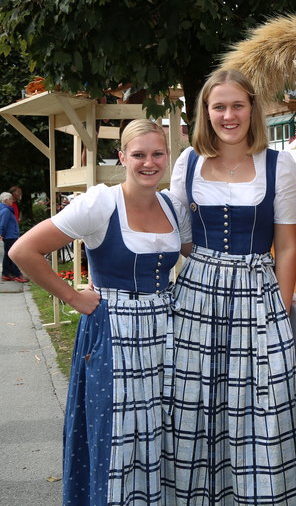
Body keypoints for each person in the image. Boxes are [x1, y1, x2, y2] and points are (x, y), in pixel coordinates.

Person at [9, 119, 190, 506]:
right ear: (122, 157)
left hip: (166, 332)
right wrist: (73, 299)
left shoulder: (173, 205)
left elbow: (196, 254)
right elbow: (23, 251)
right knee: (116, 429)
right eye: (138, 154)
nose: (148, 162)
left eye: (157, 154)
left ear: (167, 157)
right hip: (114, 331)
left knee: (162, 429)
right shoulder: (101, 202)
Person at [168, 68, 296, 505]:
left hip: (257, 294)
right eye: (219, 106)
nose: (229, 115)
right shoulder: (187, 163)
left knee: (261, 406)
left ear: (252, 109)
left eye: (237, 105)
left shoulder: (278, 164)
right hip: (197, 294)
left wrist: (279, 310)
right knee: (195, 405)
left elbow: (285, 246)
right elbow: (181, 238)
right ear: (206, 112)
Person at [0, 192, 27, 282]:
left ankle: (6, 273)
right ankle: (17, 274)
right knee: (13, 255)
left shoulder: (5, 209)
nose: (12, 201)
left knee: (8, 255)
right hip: (10, 236)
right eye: (11, 199)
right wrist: (1, 234)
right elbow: (3, 224)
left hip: (9, 236)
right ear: (6, 200)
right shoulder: (6, 211)